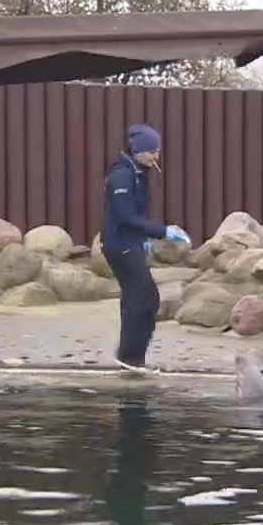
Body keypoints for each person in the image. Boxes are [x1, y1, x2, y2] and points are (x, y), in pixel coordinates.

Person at [102, 124, 190, 375]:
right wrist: (163, 231)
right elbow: (126, 217)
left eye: (157, 151)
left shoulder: (139, 173)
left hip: (131, 243)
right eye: (152, 152)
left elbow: (137, 215)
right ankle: (130, 358)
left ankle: (131, 357)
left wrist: (144, 238)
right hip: (119, 245)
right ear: (138, 150)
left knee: (140, 298)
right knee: (143, 298)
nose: (156, 157)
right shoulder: (122, 176)